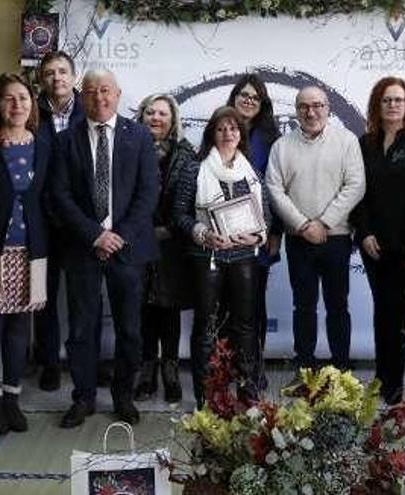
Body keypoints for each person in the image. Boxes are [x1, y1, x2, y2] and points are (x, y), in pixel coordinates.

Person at [50, 69, 159, 427]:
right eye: (92, 91)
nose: (100, 98)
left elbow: (147, 194)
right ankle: (83, 399)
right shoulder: (66, 140)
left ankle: (123, 396)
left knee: (130, 329)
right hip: (83, 247)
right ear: (83, 97)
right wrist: (95, 235)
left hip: (128, 250)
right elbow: (60, 195)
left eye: (106, 91)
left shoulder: (140, 136)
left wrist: (117, 236)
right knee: (82, 329)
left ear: (118, 94)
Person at [172, 106, 271, 406]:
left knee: (245, 325)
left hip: (244, 258)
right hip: (207, 258)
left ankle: (247, 392)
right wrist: (203, 234)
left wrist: (258, 235)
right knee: (206, 326)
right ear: (211, 134)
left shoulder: (250, 171)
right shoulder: (195, 168)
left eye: (233, 129)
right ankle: (207, 397)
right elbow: (179, 215)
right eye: (221, 129)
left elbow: (264, 215)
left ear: (241, 135)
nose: (228, 134)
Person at [0, 73, 50, 435]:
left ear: (32, 104)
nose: (17, 105)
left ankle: (13, 399)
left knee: (21, 327)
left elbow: (50, 195)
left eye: (24, 98)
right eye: (9, 98)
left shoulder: (44, 144)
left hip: (32, 249)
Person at [266, 86, 365, 374]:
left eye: (317, 105)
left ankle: (341, 372)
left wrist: (323, 223)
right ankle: (305, 370)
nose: (311, 112)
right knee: (303, 308)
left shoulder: (346, 141)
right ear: (296, 111)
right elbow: (274, 189)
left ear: (328, 108)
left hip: (336, 238)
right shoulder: (282, 146)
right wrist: (303, 225)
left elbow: (356, 185)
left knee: (337, 306)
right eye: (304, 107)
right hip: (299, 240)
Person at [350, 77, 405, 404]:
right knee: (381, 310)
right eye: (386, 100)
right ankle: (381, 376)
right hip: (373, 244)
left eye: (398, 100)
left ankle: (393, 381)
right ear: (377, 104)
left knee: (397, 312)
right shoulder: (364, 144)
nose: (393, 105)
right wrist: (365, 232)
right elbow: (357, 193)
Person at [132, 94, 195, 403]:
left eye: (162, 114)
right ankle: (147, 370)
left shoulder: (186, 153)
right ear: (141, 116)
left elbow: (191, 198)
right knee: (144, 306)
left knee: (168, 307)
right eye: (150, 112)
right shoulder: (128, 147)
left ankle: (170, 369)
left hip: (173, 243)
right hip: (137, 239)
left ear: (172, 120)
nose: (156, 118)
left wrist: (169, 228)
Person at [34, 50, 88, 392]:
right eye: (50, 73)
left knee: (83, 299)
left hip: (81, 220)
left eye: (63, 71)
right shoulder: (31, 112)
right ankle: (50, 363)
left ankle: (86, 361)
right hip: (42, 218)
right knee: (46, 297)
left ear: (74, 76)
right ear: (42, 79)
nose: (57, 78)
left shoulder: (90, 110)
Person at [225, 74, 282, 388]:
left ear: (262, 105)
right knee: (226, 305)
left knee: (253, 304)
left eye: (254, 97)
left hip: (260, 235)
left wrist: (277, 232)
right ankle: (227, 368)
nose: (247, 100)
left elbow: (278, 189)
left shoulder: (272, 140)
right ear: (234, 98)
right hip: (223, 237)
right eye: (243, 95)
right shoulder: (219, 129)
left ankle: (253, 367)